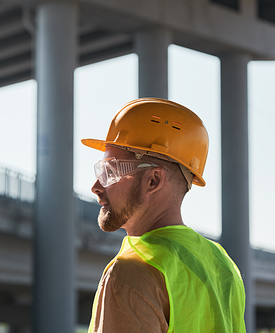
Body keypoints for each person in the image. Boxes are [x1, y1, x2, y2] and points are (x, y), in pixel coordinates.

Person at [81, 98, 246, 332]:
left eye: (110, 171)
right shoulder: (223, 265)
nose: (97, 186)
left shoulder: (130, 271)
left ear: (153, 180)